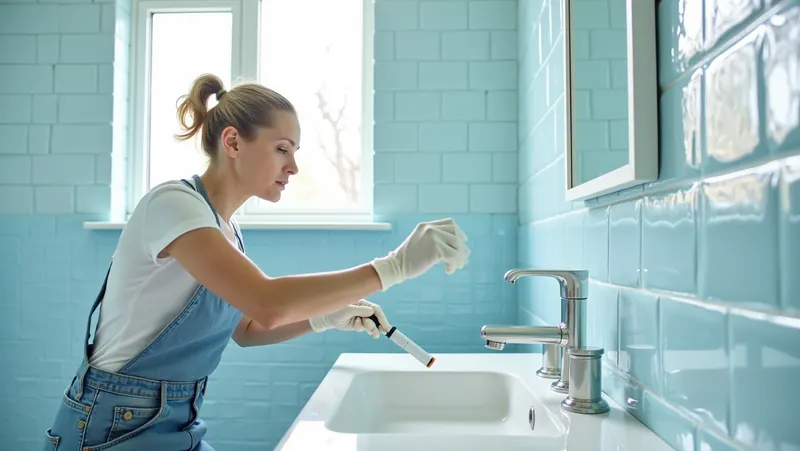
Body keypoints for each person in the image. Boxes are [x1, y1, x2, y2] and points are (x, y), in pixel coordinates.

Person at [41, 73, 470, 451]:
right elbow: (267, 302)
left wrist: (324, 318)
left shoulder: (224, 229)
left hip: (172, 419)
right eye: (282, 149)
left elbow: (247, 329)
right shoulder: (173, 205)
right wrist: (392, 267)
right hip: (111, 425)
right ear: (232, 142)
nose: (294, 166)